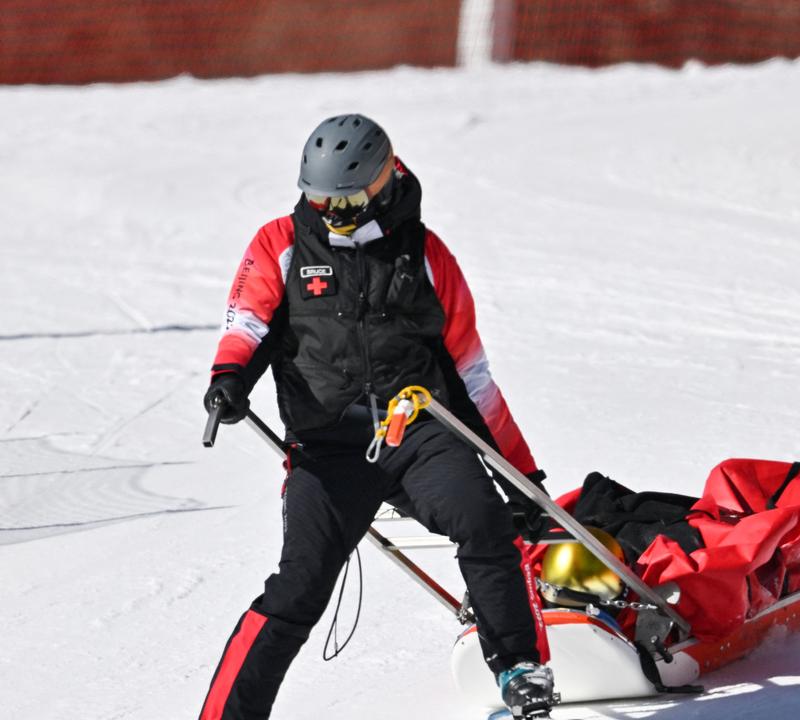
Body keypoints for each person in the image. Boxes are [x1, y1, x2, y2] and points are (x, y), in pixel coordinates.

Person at [198, 114, 556, 719]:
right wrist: (228, 378)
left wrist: (521, 477)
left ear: (384, 178)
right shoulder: (281, 242)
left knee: (485, 521)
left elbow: (471, 376)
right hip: (328, 446)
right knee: (299, 586)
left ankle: (519, 667)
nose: (332, 211)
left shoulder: (426, 255)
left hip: (418, 433)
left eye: (347, 198)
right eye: (319, 197)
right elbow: (249, 326)